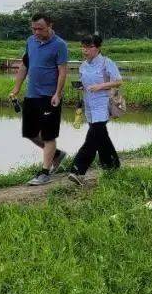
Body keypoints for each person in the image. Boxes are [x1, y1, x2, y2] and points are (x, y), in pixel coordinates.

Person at [9, 12, 69, 186]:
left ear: (50, 26)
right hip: (32, 94)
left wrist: (57, 93)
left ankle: (45, 173)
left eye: (40, 29)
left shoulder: (60, 45)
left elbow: (62, 71)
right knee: (30, 133)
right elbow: (25, 65)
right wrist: (16, 88)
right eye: (34, 28)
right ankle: (57, 155)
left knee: (49, 135)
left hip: (49, 97)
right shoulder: (30, 41)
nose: (36, 32)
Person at [66, 34, 122, 186]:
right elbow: (85, 84)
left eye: (89, 47)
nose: (85, 50)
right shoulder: (83, 66)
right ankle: (112, 165)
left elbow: (118, 81)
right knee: (101, 136)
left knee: (92, 137)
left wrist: (100, 86)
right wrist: (81, 87)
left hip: (103, 104)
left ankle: (78, 170)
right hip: (89, 105)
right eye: (83, 47)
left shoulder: (106, 62)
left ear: (97, 48)